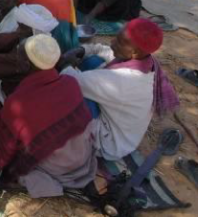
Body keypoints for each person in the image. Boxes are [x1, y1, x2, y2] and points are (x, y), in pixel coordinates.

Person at [0, 35, 96, 198]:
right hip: (81, 160)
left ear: (26, 64)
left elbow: (1, 150)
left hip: (54, 168)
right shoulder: (70, 82)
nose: (14, 57)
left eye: (18, 54)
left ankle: (36, 179)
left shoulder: (18, 101)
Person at [60, 18, 179, 160]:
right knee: (93, 60)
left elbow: (71, 81)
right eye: (116, 38)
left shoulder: (125, 80)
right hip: (123, 129)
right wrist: (82, 49)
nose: (112, 43)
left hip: (109, 143)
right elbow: (103, 50)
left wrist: (63, 64)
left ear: (134, 52)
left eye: (119, 42)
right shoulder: (143, 60)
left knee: (68, 95)